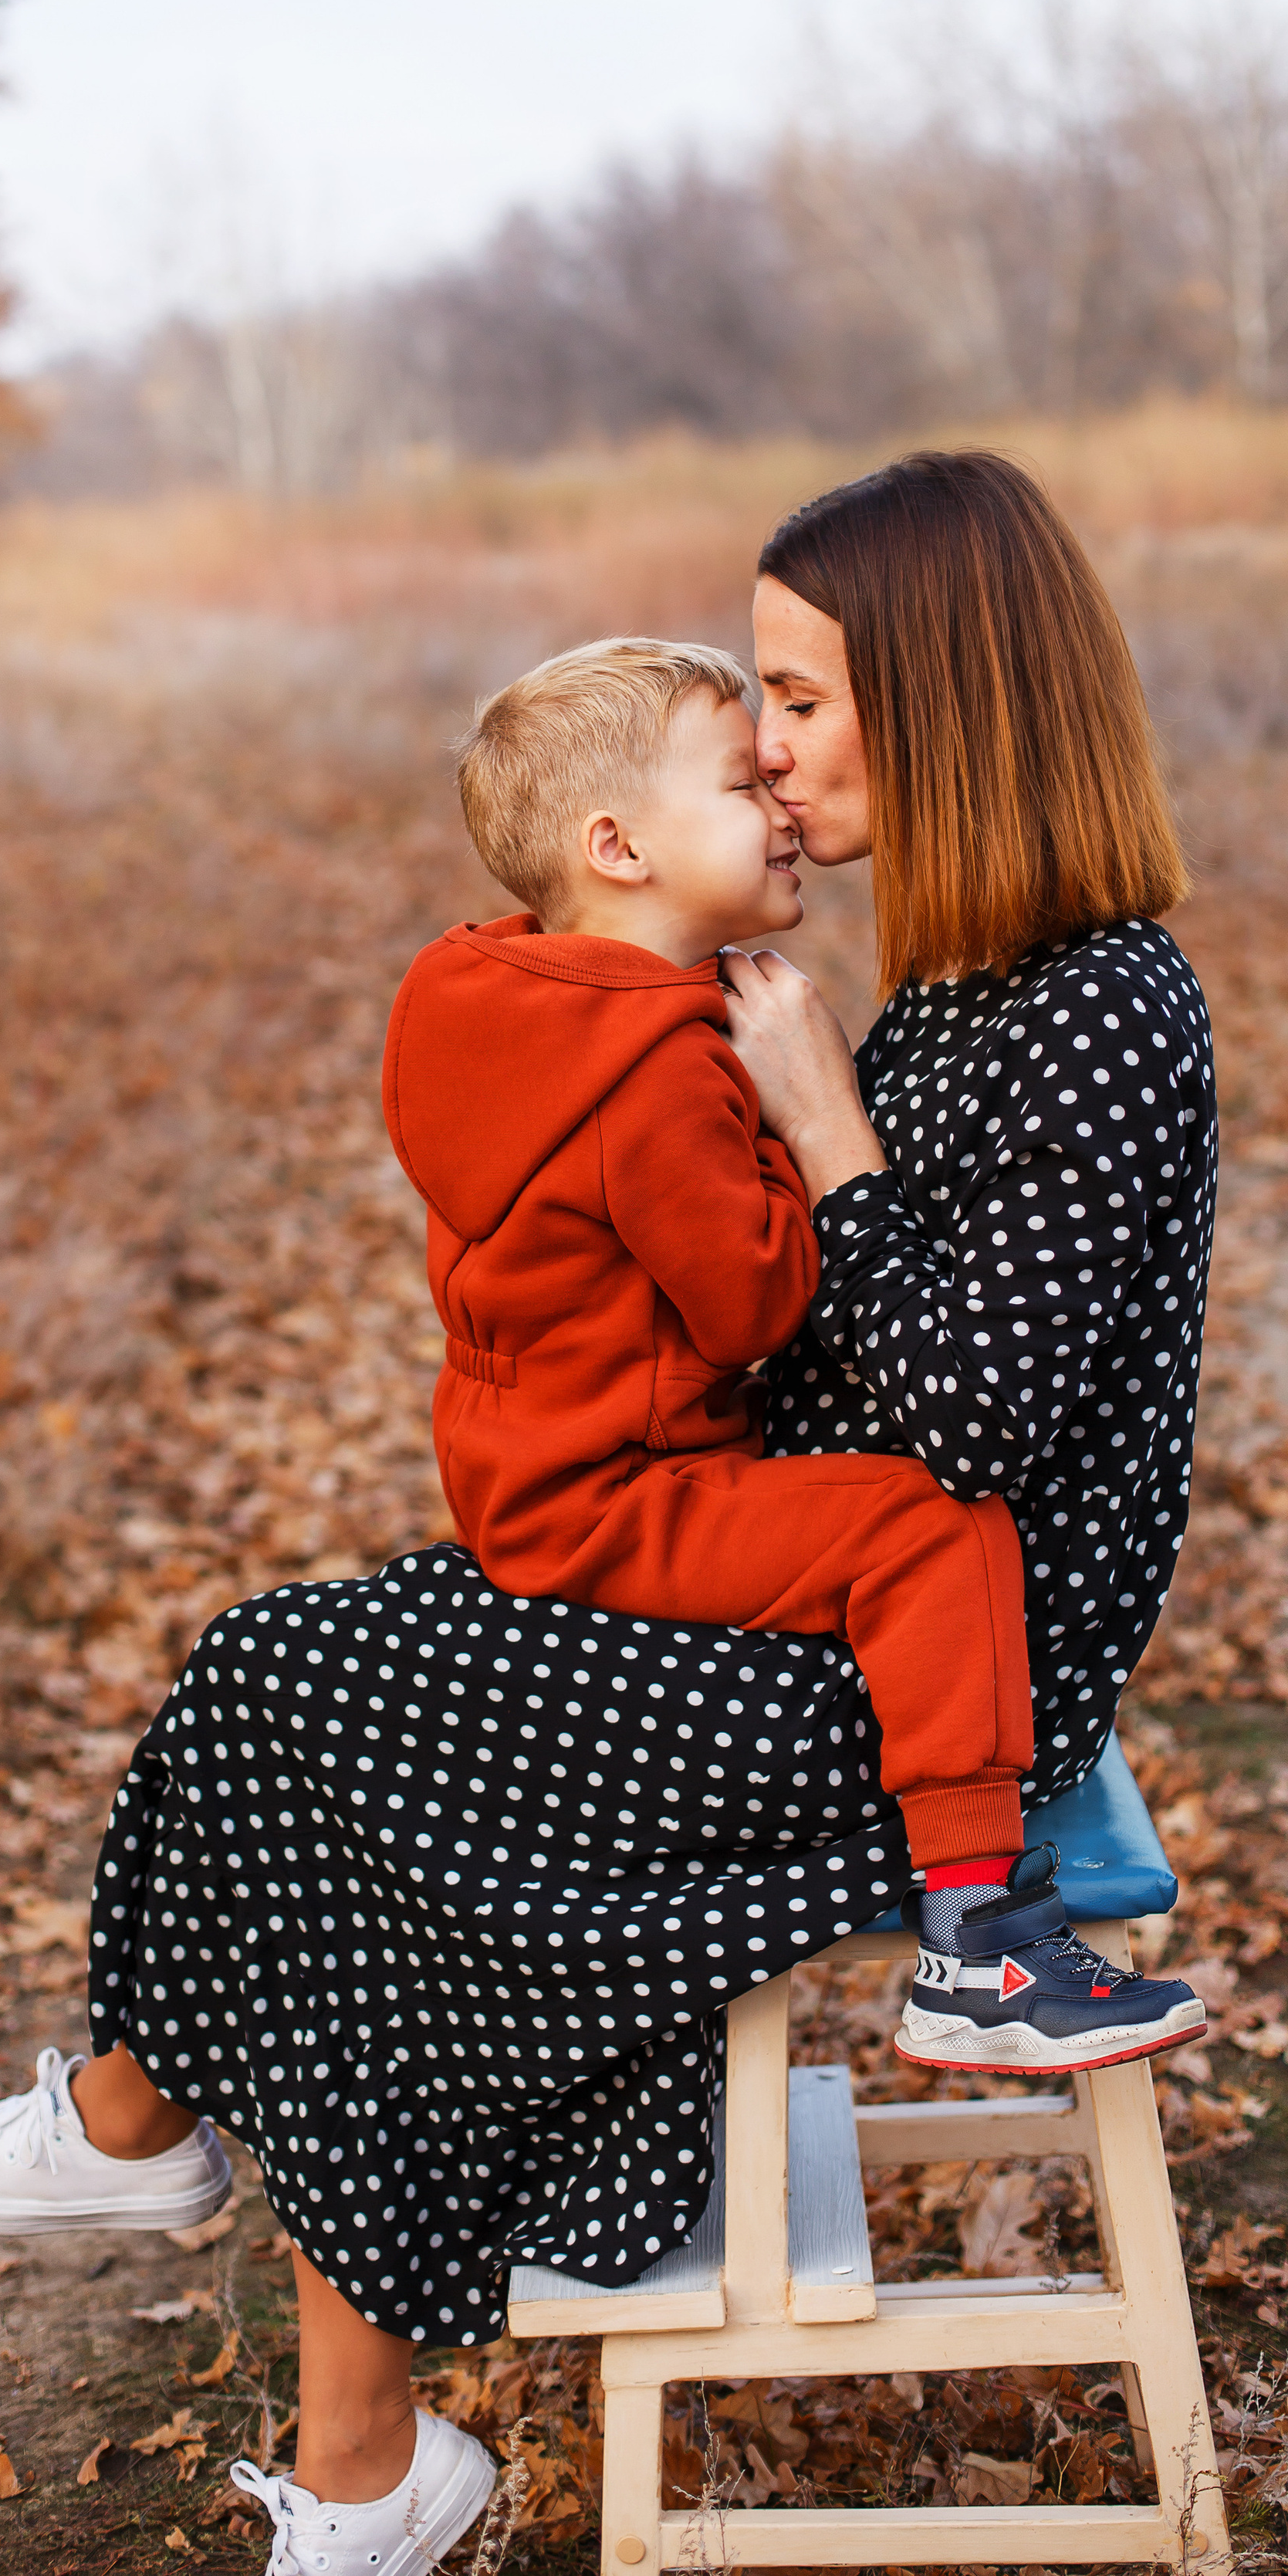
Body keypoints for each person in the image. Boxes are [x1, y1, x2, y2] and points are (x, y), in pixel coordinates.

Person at [0, 450, 1217, 2576]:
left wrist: (817, 1134)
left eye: (803, 695)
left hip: (951, 1658)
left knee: (324, 1701)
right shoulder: (967, 982)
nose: (772, 753)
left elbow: (969, 1419)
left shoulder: (1103, 1007)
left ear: (953, 697)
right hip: (827, 1582)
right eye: (754, 707)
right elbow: (817, 1356)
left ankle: (265, 2321)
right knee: (293, 1668)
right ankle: (256, 2315)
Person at [390, 632, 1046, 1926]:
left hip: (517, 1471)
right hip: (623, 1498)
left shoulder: (483, 1003)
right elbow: (753, 1306)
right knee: (937, 1527)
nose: (780, 803)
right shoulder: (657, 1071)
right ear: (619, 848)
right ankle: (982, 1924)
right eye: (742, 788)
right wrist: (806, 1137)